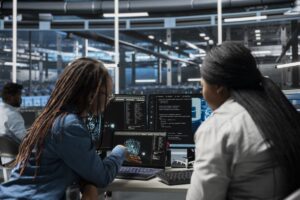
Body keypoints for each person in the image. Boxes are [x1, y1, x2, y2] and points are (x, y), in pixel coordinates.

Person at [0, 57, 139, 199]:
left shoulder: (51, 118)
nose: (108, 101)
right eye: (108, 95)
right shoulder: (70, 126)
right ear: (92, 95)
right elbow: (102, 177)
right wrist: (120, 151)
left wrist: (86, 184)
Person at [186, 42, 300, 200]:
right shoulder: (278, 111)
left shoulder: (219, 126)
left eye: (202, 85)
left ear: (219, 86)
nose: (202, 92)